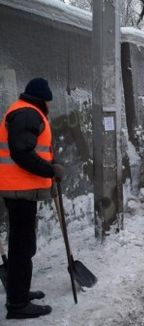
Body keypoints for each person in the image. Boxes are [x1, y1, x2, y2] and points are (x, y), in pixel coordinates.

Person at [0, 78, 64, 319]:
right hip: (19, 191)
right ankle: (17, 305)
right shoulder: (28, 114)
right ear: (42, 98)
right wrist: (50, 171)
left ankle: (21, 293)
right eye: (48, 100)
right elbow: (22, 152)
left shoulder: (25, 111)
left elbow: (31, 150)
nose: (49, 104)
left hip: (22, 191)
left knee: (23, 245)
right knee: (21, 248)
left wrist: (51, 166)